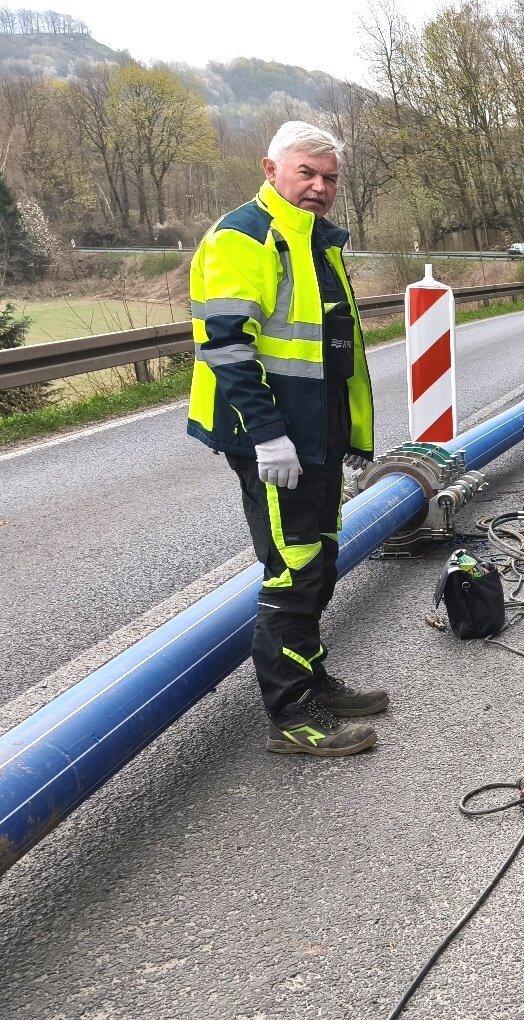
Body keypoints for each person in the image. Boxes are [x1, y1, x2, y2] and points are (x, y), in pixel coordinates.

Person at [187, 121, 386, 757]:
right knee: (292, 570)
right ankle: (290, 715)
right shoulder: (245, 237)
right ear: (272, 171)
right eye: (307, 173)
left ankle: (312, 677)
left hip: (315, 433)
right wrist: (270, 438)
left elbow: (328, 350)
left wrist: (345, 433)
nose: (319, 187)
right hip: (271, 440)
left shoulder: (317, 242)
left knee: (319, 558)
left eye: (329, 178)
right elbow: (224, 343)